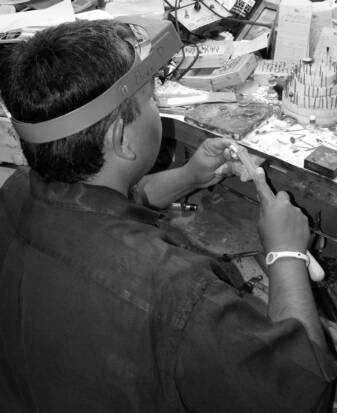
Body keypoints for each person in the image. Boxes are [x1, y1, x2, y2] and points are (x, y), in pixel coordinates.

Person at [0, 18, 336, 413]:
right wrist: (287, 255)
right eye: (150, 99)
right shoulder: (179, 293)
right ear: (121, 139)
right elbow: (305, 391)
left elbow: (90, 204)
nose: (155, 106)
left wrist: (187, 177)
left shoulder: (16, 191)